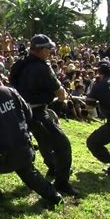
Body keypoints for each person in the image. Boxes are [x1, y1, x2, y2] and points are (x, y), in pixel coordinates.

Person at [0, 66, 63, 205]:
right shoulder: (11, 92)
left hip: (1, 158)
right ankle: (54, 196)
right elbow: (28, 114)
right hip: (25, 151)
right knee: (28, 171)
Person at [10, 34, 79, 197]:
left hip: (22, 112)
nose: (50, 52)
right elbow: (60, 92)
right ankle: (62, 182)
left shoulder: (19, 63)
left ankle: (53, 167)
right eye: (48, 49)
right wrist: (59, 103)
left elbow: (12, 82)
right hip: (38, 111)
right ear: (40, 50)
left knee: (43, 140)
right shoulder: (43, 67)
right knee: (63, 145)